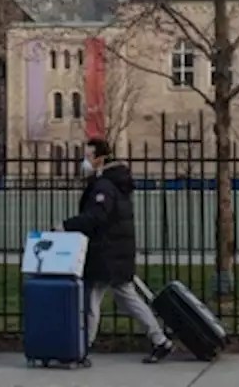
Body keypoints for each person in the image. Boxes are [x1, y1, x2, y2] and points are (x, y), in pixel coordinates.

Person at [61, 138, 174, 364]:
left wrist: (65, 225)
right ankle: (160, 340)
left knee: (92, 299)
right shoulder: (116, 183)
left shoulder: (104, 186)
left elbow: (97, 217)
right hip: (116, 251)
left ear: (100, 159)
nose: (85, 161)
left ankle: (82, 348)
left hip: (107, 252)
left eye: (88, 156)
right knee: (126, 297)